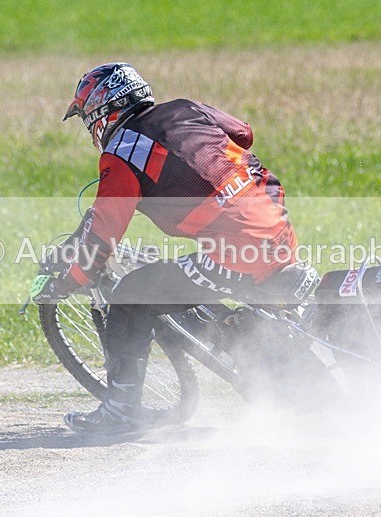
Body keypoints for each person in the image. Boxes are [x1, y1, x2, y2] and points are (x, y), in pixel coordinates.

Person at [30, 63, 314, 434]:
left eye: (88, 118)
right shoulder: (187, 109)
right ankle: (253, 345)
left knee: (131, 295)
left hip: (238, 250)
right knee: (182, 277)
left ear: (103, 112)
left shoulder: (121, 153)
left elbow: (103, 234)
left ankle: (122, 410)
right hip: (276, 225)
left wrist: (69, 280)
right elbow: (244, 134)